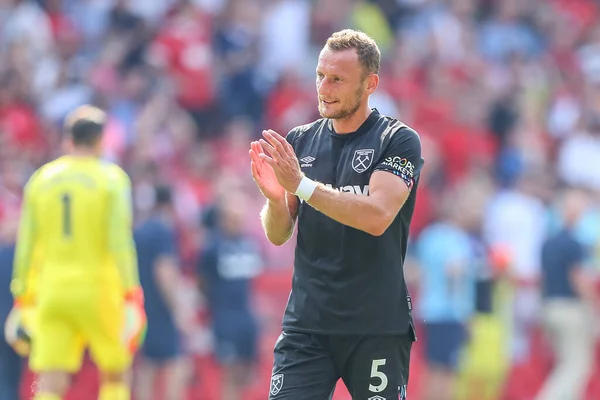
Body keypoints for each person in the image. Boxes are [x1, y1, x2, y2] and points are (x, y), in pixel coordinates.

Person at [249, 29, 423, 400]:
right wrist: (275, 200)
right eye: (320, 75)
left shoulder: (398, 139)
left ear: (369, 83)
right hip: (307, 326)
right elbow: (279, 234)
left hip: (376, 326)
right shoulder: (299, 141)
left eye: (338, 79)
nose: (324, 88)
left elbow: (377, 216)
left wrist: (301, 185)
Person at [5, 105, 145, 400]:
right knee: (116, 372)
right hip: (99, 289)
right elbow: (120, 242)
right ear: (101, 140)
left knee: (50, 378)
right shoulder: (111, 179)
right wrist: (132, 292)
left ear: (67, 140)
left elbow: (27, 244)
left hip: (52, 291)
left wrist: (23, 295)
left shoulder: (41, 179)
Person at [198, 191, 263, 400]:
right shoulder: (212, 248)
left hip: (246, 315)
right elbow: (203, 282)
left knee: (247, 374)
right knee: (229, 372)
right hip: (224, 317)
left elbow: (253, 283)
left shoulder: (249, 244)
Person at [535, 188, 598, 400]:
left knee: (566, 363)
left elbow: (542, 280)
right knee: (576, 366)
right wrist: (594, 308)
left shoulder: (547, 243)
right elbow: (578, 279)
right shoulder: (573, 244)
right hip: (571, 310)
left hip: (550, 306)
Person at [134, 184, 191, 400]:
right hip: (161, 310)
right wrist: (179, 309)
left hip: (142, 307)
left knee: (147, 368)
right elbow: (164, 272)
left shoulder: (141, 229)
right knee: (177, 367)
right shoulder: (162, 230)